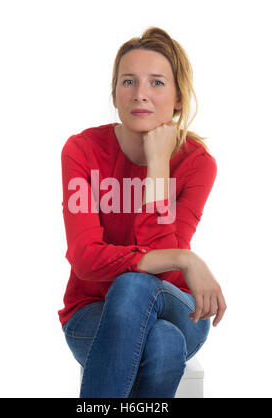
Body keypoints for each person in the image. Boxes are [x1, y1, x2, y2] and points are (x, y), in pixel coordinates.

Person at [58, 26, 227, 398]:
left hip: (177, 309)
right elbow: (86, 260)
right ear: (114, 93)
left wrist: (157, 165)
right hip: (91, 311)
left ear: (179, 97)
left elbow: (165, 271)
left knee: (136, 286)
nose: (140, 95)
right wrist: (184, 257)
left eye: (156, 83)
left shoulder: (197, 164)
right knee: (161, 341)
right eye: (129, 81)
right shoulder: (82, 151)